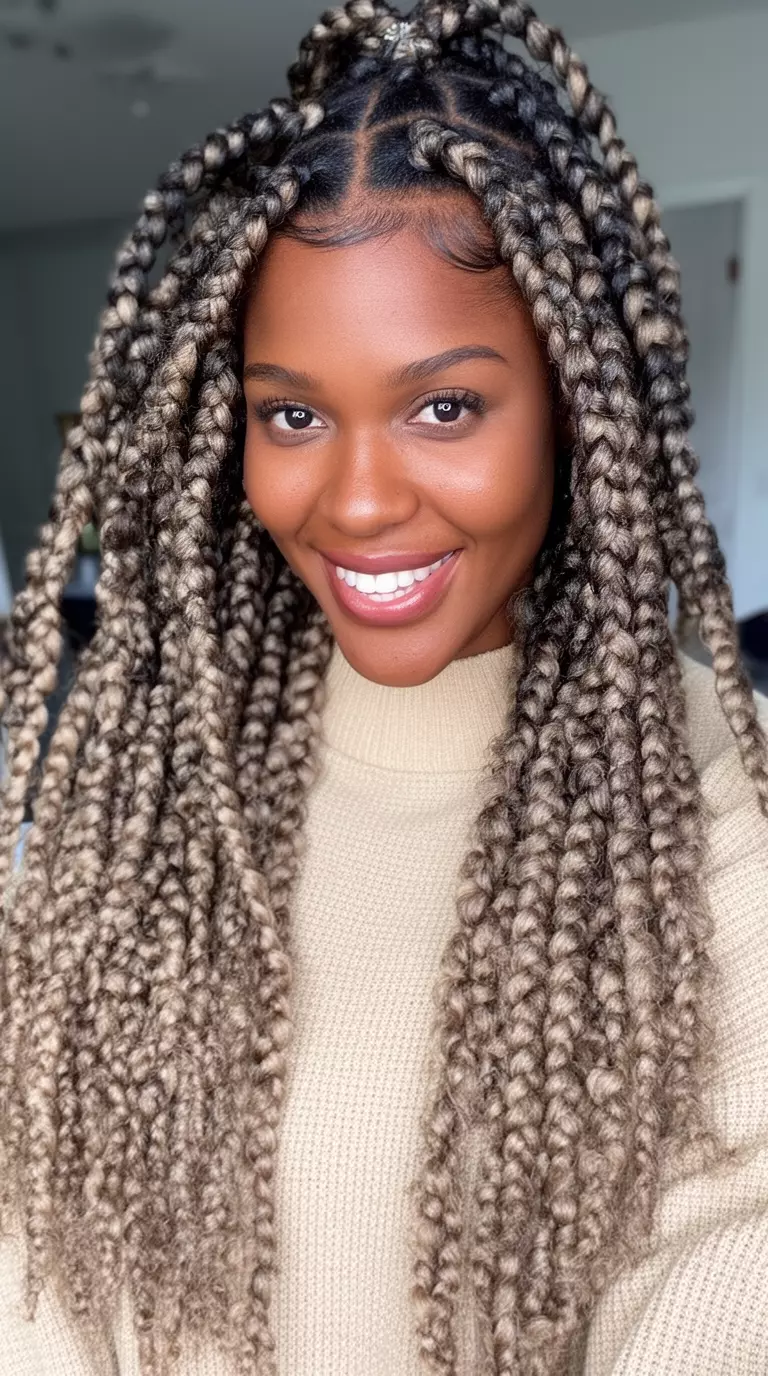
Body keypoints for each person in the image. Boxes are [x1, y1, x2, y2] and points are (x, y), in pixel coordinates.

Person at [1, 2, 767, 1374]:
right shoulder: (135, 802)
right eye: (292, 414)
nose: (355, 501)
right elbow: (31, 1244)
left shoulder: (719, 807)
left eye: (445, 407)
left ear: (576, 411)